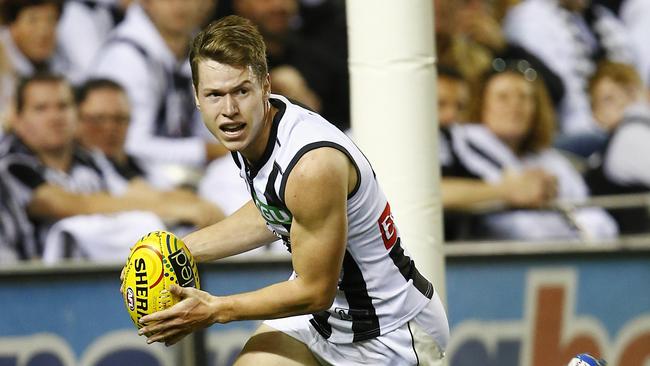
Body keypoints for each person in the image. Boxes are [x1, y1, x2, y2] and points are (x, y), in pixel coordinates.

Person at [134, 16, 449, 365]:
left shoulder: (311, 165)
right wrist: (176, 251)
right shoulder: (256, 130)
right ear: (196, 96)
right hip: (325, 322)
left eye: (241, 91)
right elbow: (273, 209)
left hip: (390, 333)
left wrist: (216, 309)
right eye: (214, 95)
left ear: (265, 85)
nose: (229, 110)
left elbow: (315, 291)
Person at [0, 74, 221, 259]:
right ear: (18, 118)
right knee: (142, 225)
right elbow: (70, 204)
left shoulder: (92, 160)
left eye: (63, 106)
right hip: (30, 285)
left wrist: (200, 206)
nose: (55, 117)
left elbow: (142, 192)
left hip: (100, 276)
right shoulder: (11, 166)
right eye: (41, 109)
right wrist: (176, 210)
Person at [441, 59, 618, 241]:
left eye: (524, 97)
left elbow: (596, 217)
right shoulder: (459, 144)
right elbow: (435, 193)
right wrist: (508, 191)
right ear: (481, 104)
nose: (515, 106)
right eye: (503, 97)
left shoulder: (550, 160)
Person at [88, 0, 227, 187]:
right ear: (147, 3)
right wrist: (204, 151)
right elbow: (128, 145)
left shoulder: (201, 47)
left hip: (186, 170)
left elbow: (209, 124)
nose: (180, 6)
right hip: (123, 177)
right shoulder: (124, 57)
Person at [503, 0, 636, 156]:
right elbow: (562, 96)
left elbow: (633, 77)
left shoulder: (604, 17)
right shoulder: (530, 17)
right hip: (568, 132)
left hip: (617, 125)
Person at [233, 0, 350, 131]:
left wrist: (310, 112)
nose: (277, 6)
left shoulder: (318, 57)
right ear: (241, 4)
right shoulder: (224, 61)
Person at [585, 61, 650, 233]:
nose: (622, 103)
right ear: (595, 114)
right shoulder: (621, 141)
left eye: (628, 93)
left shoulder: (636, 129)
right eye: (608, 99)